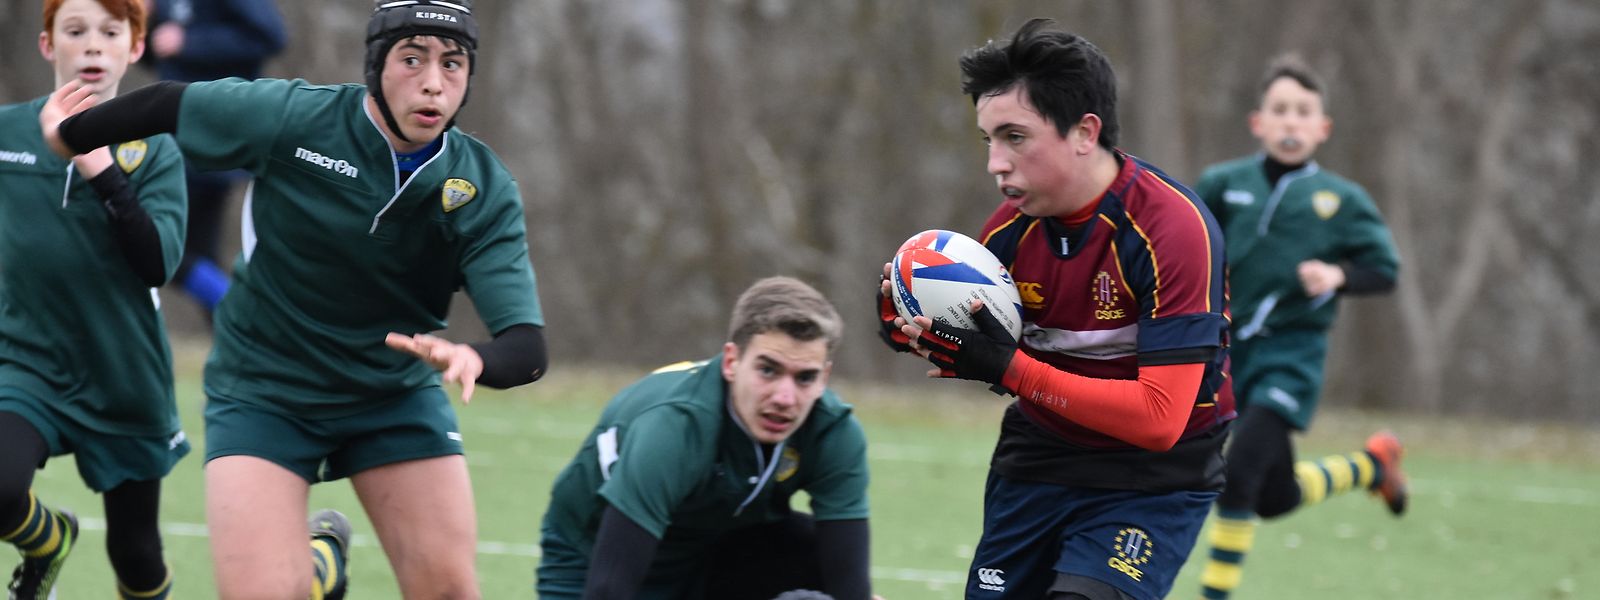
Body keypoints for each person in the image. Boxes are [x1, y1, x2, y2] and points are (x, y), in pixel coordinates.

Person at [39, 0, 549, 597]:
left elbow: (527, 346)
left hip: (391, 393)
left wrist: (477, 359)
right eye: (412, 60)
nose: (433, 82)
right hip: (265, 389)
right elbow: (171, 103)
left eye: (453, 65)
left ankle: (318, 568)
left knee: (449, 592)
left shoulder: (479, 188)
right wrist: (69, 134)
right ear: (377, 68)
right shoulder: (295, 117)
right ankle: (317, 572)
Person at [878, 19, 1234, 600]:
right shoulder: (1005, 239)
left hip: (1151, 476)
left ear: (1084, 132)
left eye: (1015, 137)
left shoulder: (1171, 230)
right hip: (1039, 459)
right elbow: (977, 343)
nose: (996, 162)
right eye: (988, 139)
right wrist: (910, 324)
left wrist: (1008, 368)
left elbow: (1160, 419)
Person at [1191, 55, 1406, 600]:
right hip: (1228, 352)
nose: (1291, 122)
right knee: (1272, 496)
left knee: (1236, 477)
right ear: (1258, 122)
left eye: (1303, 112)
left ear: (1322, 128)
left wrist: (1337, 274)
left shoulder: (1343, 201)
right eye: (1280, 110)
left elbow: (1384, 271)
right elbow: (1185, 243)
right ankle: (1371, 466)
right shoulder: (1221, 184)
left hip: (1292, 355)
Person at [0, 0, 188, 598]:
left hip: (123, 374)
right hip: (28, 363)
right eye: (75, 31)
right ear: (48, 45)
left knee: (135, 555)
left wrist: (101, 168)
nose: (92, 46)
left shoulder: (157, 149)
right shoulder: (5, 134)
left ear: (135, 48)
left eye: (111, 32)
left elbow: (156, 263)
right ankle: (47, 540)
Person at [538, 277, 874, 600]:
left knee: (821, 561)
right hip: (591, 556)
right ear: (732, 361)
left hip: (712, 549)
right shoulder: (674, 427)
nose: (785, 398)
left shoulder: (833, 431)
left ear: (824, 377)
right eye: (768, 370)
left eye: (805, 378)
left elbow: (849, 586)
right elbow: (609, 590)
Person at [144, 0, 286, 318]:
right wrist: (145, 23)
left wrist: (190, 42)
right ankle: (242, 330)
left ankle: (243, 320)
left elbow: (271, 36)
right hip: (174, 132)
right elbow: (161, 53)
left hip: (213, 135)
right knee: (188, 254)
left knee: (163, 248)